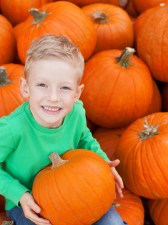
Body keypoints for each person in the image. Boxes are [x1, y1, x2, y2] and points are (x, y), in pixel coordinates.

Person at [0, 34, 126, 225]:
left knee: (112, 223)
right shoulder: (12, 129)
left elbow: (85, 139)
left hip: (76, 190)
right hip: (30, 203)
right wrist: (20, 194)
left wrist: (103, 162)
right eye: (42, 85)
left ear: (77, 93)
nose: (53, 97)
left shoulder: (76, 113)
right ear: (26, 88)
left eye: (64, 88)